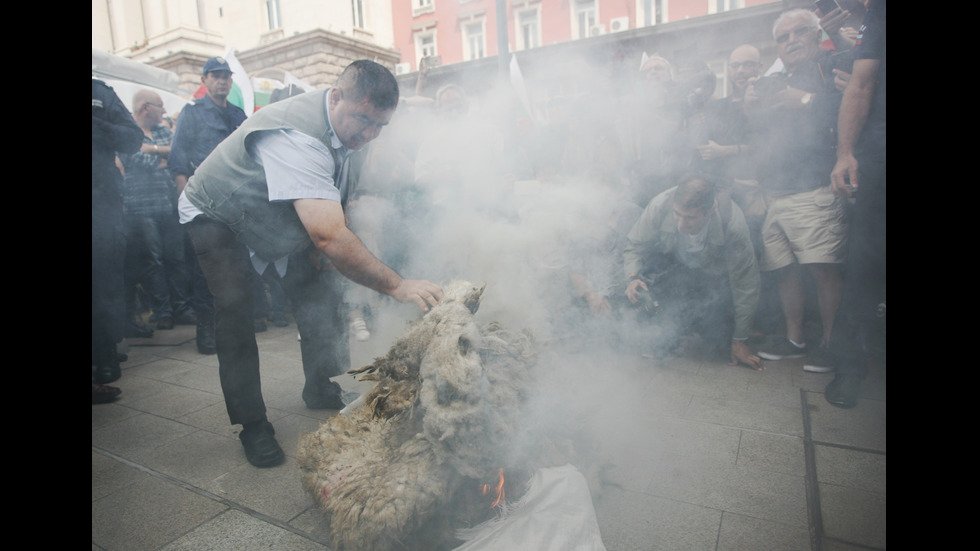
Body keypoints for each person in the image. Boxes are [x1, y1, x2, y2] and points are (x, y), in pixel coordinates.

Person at [178, 60, 444, 468]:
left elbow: (337, 200)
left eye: (380, 126)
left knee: (321, 293)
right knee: (235, 312)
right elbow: (328, 234)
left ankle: (322, 386)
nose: (369, 134)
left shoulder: (348, 130)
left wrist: (328, 243)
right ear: (335, 97)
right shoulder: (296, 136)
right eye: (363, 121)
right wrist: (397, 285)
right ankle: (252, 425)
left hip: (278, 217)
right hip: (219, 213)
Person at [744, 8, 848, 373]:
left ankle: (831, 344)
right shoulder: (777, 78)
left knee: (823, 269)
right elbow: (765, 136)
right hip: (776, 191)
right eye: (783, 38)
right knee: (785, 269)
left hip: (813, 188)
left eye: (799, 33)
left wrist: (804, 99)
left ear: (817, 35)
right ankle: (795, 340)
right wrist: (752, 109)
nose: (791, 41)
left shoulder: (830, 64)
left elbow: (856, 104)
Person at [623, 175, 764, 370]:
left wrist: (739, 338)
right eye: (677, 215)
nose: (681, 224)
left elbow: (745, 282)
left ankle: (708, 327)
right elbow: (635, 245)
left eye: (690, 218)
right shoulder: (660, 205)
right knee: (647, 278)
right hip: (671, 266)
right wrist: (633, 278)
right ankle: (665, 332)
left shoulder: (732, 222)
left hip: (713, 277)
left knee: (716, 350)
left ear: (710, 211)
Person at [824, 0, 884, 408]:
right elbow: (862, 80)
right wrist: (846, 151)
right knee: (866, 262)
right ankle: (849, 368)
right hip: (881, 150)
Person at [169, 56, 248, 354]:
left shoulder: (238, 114)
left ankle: (235, 327)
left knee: (236, 267)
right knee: (206, 271)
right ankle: (207, 331)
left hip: (236, 204)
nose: (222, 80)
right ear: (204, 81)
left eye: (226, 76)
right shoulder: (192, 113)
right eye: (215, 76)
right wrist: (186, 206)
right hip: (204, 203)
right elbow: (178, 160)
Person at [118, 89, 194, 331]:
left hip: (168, 205)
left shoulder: (162, 131)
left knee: (176, 258)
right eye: (159, 106)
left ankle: (181, 307)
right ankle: (163, 312)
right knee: (153, 261)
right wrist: (163, 155)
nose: (163, 111)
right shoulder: (127, 132)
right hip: (140, 210)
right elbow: (134, 161)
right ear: (145, 107)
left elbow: (178, 154)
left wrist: (151, 150)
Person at [92, 77, 144, 401]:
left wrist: (98, 127)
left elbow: (133, 138)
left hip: (101, 203)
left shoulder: (99, 93)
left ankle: (106, 354)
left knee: (106, 280)